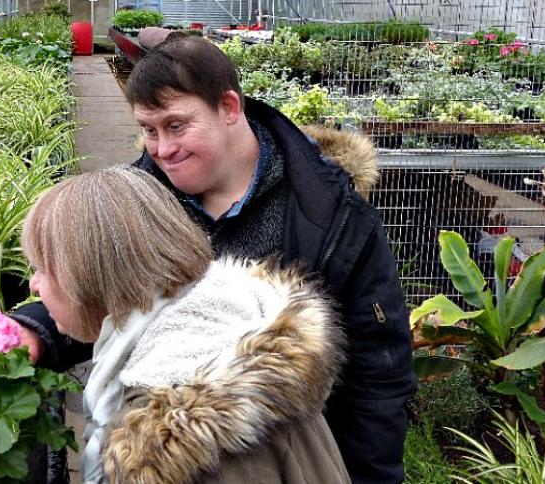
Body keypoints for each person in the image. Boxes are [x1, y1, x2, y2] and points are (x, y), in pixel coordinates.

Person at [0, 34, 417, 483]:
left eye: (177, 125)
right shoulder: (144, 194)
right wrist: (36, 330)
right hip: (175, 447)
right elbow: (109, 287)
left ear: (229, 108)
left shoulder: (328, 212)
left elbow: (378, 375)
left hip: (280, 453)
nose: (162, 149)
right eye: (148, 129)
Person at [21, 168, 350, 484]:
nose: (34, 285)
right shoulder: (228, 329)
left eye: (42, 270)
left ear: (88, 279)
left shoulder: (191, 435)